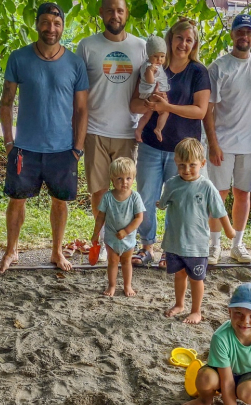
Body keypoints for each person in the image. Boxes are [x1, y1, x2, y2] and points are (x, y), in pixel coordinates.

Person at [0, 2, 88, 274]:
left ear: (63, 27)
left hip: (63, 149)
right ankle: (11, 250)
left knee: (60, 202)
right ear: (37, 24)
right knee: (16, 200)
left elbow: (82, 109)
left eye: (57, 23)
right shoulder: (18, 58)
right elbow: (6, 101)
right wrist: (9, 142)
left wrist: (78, 148)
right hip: (24, 148)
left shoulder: (75, 63)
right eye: (46, 22)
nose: (51, 28)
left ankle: (57, 251)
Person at [130, 17, 211, 268]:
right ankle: (146, 247)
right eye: (179, 38)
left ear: (194, 44)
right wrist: (151, 104)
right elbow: (133, 105)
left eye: (189, 40)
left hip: (184, 152)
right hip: (151, 146)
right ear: (169, 39)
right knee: (145, 197)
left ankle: (171, 251)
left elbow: (200, 111)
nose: (183, 44)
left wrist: (167, 107)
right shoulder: (153, 67)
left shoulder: (198, 72)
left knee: (179, 202)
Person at [77, 0, 146, 263]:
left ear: (127, 13)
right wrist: (78, 133)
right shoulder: (87, 46)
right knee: (98, 191)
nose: (115, 15)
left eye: (120, 10)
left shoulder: (140, 46)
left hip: (127, 131)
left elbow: (147, 87)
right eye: (109, 10)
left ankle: (125, 238)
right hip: (94, 130)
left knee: (124, 192)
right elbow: (79, 92)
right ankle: (106, 239)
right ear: (101, 13)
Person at [204, 14, 251, 265]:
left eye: (249, 32)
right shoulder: (218, 67)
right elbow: (207, 111)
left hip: (250, 144)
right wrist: (212, 143)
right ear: (232, 35)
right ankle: (214, 245)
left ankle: (237, 244)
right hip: (222, 143)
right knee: (218, 195)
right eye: (240, 31)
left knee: (243, 194)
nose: (244, 36)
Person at [157, 138, 235, 324]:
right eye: (182, 165)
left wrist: (229, 229)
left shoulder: (206, 186)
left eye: (192, 165)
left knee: (196, 278)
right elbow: (163, 203)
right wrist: (159, 204)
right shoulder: (171, 184)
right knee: (179, 275)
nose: (187, 170)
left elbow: (219, 210)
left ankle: (196, 311)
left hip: (197, 243)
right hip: (175, 241)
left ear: (202, 163)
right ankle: (179, 304)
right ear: (176, 162)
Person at [91, 157, 145, 297]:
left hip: (129, 237)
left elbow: (139, 218)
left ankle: (127, 285)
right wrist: (96, 233)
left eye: (128, 178)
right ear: (112, 179)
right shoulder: (108, 197)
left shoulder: (135, 197)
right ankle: (112, 285)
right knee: (113, 261)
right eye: (119, 178)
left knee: (127, 262)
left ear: (133, 178)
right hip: (111, 236)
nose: (124, 182)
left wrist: (126, 231)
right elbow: (101, 217)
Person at [134, 35, 171, 142]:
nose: (159, 60)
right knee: (165, 112)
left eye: (162, 56)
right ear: (149, 55)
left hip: (150, 93)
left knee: (147, 115)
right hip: (151, 92)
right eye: (156, 56)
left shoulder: (156, 65)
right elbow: (150, 80)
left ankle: (138, 130)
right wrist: (150, 71)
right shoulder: (148, 66)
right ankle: (158, 129)